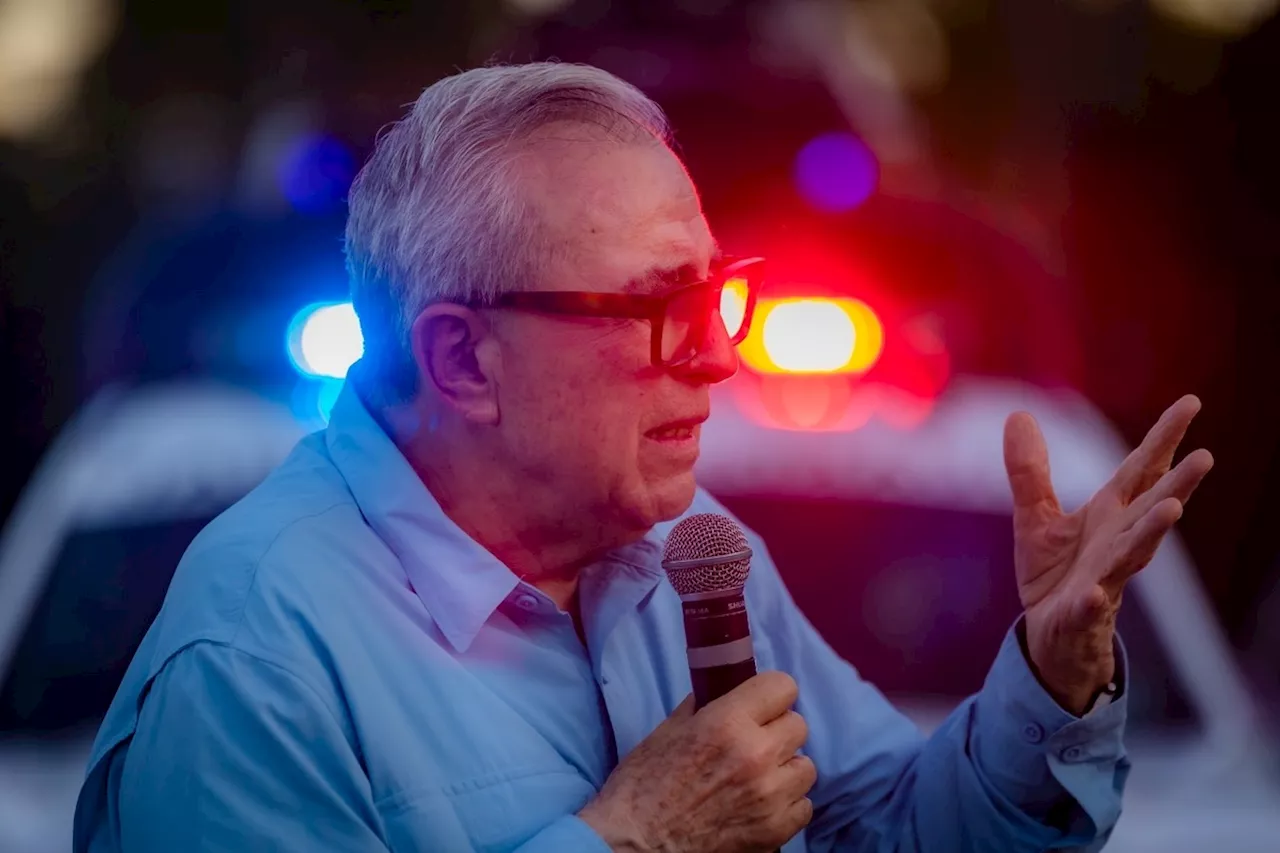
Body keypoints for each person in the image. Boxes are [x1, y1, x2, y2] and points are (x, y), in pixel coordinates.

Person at [73, 62, 1213, 853]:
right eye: (658, 309)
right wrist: (636, 837)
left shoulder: (689, 552)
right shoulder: (254, 665)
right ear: (463, 360)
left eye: (715, 295)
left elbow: (893, 832)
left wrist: (1051, 675)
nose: (718, 360)